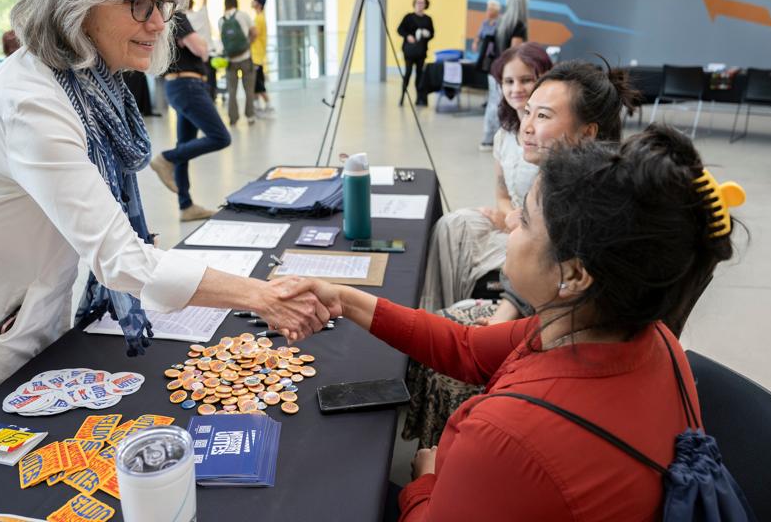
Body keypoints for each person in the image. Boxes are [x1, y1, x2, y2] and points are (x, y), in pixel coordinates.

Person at [0, 0, 333, 434]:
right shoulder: (30, 103)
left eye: (163, 5)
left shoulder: (96, 81)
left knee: (14, 395)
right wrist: (261, 296)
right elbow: (118, 257)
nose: (159, 23)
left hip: (31, 279)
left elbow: (107, 223)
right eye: (140, 2)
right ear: (77, 2)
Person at [282, 124, 742, 520]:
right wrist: (346, 299)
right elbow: (465, 347)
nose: (509, 224)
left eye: (526, 219)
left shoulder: (509, 438)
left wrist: (427, 479)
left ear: (575, 273)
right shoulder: (632, 334)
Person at [411, 59, 638, 447]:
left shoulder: (590, 201)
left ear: (588, 132)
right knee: (442, 326)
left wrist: (506, 328)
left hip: (564, 342)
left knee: (447, 352)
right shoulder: (557, 180)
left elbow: (576, 317)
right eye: (527, 112)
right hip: (542, 321)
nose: (527, 126)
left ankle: (444, 468)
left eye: (543, 115)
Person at [406, 43, 551, 446]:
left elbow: (543, 227)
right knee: (452, 225)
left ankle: (450, 342)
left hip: (529, 231)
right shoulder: (509, 133)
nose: (518, 89)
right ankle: (434, 318)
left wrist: (518, 223)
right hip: (515, 221)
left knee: (468, 231)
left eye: (527, 80)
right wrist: (507, 216)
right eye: (509, 81)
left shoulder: (557, 150)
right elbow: (503, 194)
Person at [150, 8, 231, 222]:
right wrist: (202, 45)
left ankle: (186, 206)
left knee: (184, 145)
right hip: (188, 85)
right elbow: (200, 49)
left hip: (180, 86)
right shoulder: (177, 16)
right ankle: (165, 159)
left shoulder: (166, 19)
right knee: (220, 137)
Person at [480, 0, 529, 149]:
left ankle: (488, 138)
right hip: (507, 72)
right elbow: (515, 53)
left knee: (494, 103)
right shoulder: (518, 25)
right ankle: (503, 141)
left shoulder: (500, 22)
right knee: (507, 105)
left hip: (494, 69)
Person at [219, 0, 257, 126]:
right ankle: (250, 116)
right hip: (246, 58)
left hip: (230, 61)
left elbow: (223, 41)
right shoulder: (243, 15)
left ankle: (233, 119)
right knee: (249, 90)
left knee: (232, 92)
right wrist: (247, 45)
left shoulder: (221, 20)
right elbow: (255, 32)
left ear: (225, 3)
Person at [397, 0, 434, 106]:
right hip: (409, 51)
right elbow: (400, 29)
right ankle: (402, 96)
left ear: (425, 5)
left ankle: (419, 99)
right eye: (418, 2)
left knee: (420, 75)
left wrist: (426, 34)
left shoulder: (428, 19)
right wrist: (408, 36)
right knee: (407, 73)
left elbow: (432, 34)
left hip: (421, 51)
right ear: (414, 3)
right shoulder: (408, 17)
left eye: (422, 3)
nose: (420, 4)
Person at [250, 0, 273, 115]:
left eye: (254, 1)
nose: (251, 3)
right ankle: (257, 105)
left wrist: (247, 41)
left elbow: (255, 34)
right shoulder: (259, 17)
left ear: (258, 4)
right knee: (256, 82)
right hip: (258, 55)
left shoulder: (259, 19)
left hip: (256, 56)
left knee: (257, 83)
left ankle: (267, 104)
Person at [471, 0, 501, 72]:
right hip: (485, 54)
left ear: (496, 11)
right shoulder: (485, 23)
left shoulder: (501, 23)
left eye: (490, 10)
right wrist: (475, 43)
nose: (487, 12)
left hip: (496, 54)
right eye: (487, 9)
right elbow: (479, 35)